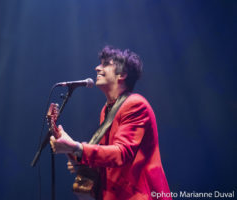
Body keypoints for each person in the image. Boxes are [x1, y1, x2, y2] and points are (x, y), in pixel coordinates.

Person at [50, 46, 171, 200]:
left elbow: (121, 153)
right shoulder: (106, 110)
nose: (97, 67)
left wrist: (77, 148)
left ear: (122, 74)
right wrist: (74, 152)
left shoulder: (136, 104)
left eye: (105, 64)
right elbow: (107, 158)